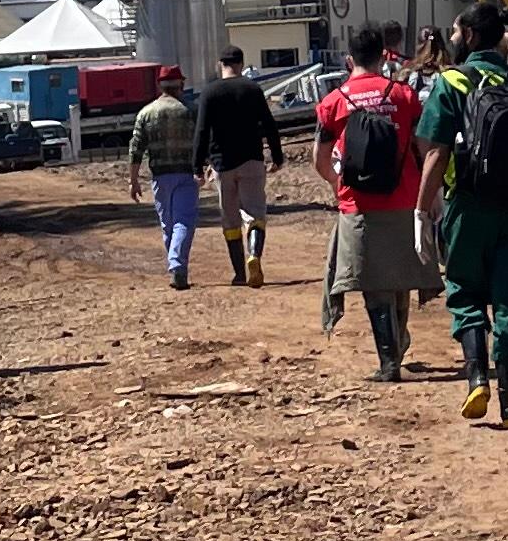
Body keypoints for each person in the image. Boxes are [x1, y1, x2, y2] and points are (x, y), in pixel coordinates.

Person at [419, 0, 508, 423]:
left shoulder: (452, 82)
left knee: (465, 290)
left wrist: (422, 210)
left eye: (456, 31)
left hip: (469, 205)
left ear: (471, 36)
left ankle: (477, 378)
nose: (452, 38)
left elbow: (436, 152)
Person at [312, 24, 431, 378]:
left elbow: (319, 158)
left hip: (358, 205)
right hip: (404, 199)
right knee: (399, 277)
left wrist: (337, 184)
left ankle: (389, 361)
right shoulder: (404, 95)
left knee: (372, 283)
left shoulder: (334, 102)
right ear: (383, 57)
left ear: (350, 60)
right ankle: (399, 342)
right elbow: (423, 147)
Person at [195, 46, 290, 289]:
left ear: (220, 64)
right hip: (251, 161)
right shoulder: (252, 89)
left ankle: (239, 274)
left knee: (230, 219)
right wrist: (277, 156)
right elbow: (269, 125)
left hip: (222, 164)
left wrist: (197, 166)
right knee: (255, 213)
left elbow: (202, 131)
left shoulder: (209, 92)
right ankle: (254, 255)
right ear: (241, 63)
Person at [126, 65, 207, 290]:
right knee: (184, 221)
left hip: (160, 176)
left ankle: (176, 266)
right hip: (186, 174)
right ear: (181, 84)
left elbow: (135, 149)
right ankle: (177, 265)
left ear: (159, 85)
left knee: (168, 224)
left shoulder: (146, 113)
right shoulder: (192, 111)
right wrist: (207, 165)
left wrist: (133, 180)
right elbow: (204, 142)